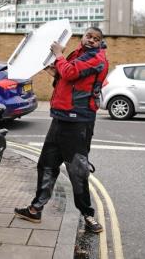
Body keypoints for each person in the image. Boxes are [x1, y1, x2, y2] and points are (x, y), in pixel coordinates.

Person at [15, 26, 109, 233]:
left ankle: (88, 216)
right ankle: (35, 209)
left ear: (100, 42)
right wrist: (52, 68)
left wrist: (58, 55)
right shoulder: (79, 53)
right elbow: (64, 75)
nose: (91, 40)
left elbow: (70, 71)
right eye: (88, 36)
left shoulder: (97, 59)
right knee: (46, 164)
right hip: (60, 118)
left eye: (96, 38)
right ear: (83, 37)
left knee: (77, 170)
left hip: (78, 122)